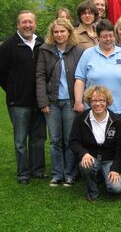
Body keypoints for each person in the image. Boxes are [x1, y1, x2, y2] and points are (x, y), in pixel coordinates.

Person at [0, 10, 46, 184]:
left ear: (35, 24)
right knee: (20, 140)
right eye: (24, 22)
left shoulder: (42, 43)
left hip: (39, 101)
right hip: (18, 102)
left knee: (38, 138)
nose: (28, 25)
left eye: (30, 22)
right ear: (18, 25)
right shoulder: (8, 46)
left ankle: (37, 170)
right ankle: (23, 174)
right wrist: (13, 91)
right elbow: (1, 73)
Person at [36, 18, 84, 187]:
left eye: (62, 31)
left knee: (69, 139)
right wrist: (43, 101)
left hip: (71, 101)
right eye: (56, 32)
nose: (59, 35)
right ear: (52, 33)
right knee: (55, 140)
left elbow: (82, 77)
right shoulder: (45, 50)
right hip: (52, 101)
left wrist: (79, 100)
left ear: (69, 32)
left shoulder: (78, 51)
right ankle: (57, 174)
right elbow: (40, 76)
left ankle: (70, 174)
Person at [74, 19, 121, 126]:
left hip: (119, 109)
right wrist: (78, 102)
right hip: (94, 108)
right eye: (104, 36)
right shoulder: (88, 54)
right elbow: (80, 80)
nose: (108, 39)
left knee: (118, 141)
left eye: (111, 36)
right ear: (98, 37)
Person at [69, 86, 121, 202]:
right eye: (94, 100)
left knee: (116, 188)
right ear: (89, 102)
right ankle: (92, 191)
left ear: (107, 102)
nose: (98, 104)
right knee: (86, 164)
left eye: (102, 100)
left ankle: (104, 178)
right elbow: (73, 142)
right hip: (91, 157)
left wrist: (115, 168)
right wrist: (83, 153)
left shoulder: (117, 121)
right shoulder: (80, 119)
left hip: (110, 160)